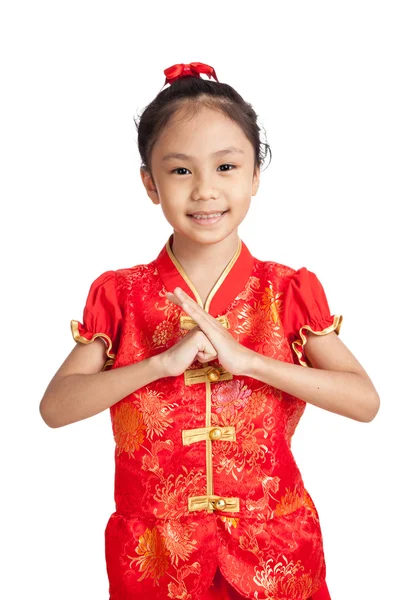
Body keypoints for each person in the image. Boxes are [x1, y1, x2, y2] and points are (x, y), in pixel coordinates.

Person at [39, 61, 380, 600]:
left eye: (226, 167)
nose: (204, 191)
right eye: (180, 171)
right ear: (150, 183)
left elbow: (365, 401)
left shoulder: (284, 290)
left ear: (254, 176)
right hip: (156, 559)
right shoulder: (120, 295)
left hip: (275, 556)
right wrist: (156, 365)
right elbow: (55, 407)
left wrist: (252, 362)